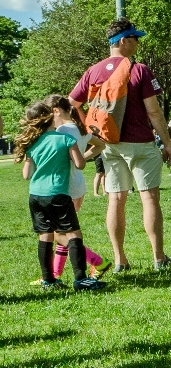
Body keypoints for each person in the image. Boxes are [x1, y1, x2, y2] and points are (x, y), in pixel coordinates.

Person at [70, 18, 171, 272]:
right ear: (123, 41)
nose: (138, 43)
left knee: (116, 200)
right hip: (140, 142)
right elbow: (154, 113)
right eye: (135, 38)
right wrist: (168, 143)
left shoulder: (92, 71)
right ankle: (159, 258)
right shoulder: (139, 70)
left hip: (109, 144)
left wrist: (89, 130)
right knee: (149, 198)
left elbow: (72, 103)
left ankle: (120, 261)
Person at [14, 100, 107, 292]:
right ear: (50, 117)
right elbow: (80, 165)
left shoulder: (33, 143)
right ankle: (80, 279)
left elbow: (26, 175)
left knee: (45, 236)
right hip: (58, 194)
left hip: (36, 195)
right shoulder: (65, 140)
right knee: (74, 234)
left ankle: (48, 280)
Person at [40, 96, 111, 282]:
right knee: (64, 232)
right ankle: (55, 274)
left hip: (65, 187)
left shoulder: (61, 130)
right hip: (78, 185)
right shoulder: (79, 128)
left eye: (48, 114)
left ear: (56, 110)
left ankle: (98, 262)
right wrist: (82, 158)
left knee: (59, 235)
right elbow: (100, 145)